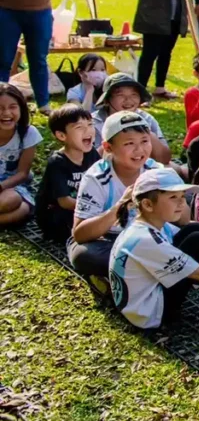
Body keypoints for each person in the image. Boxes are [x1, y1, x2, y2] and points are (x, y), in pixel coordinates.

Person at [109, 168, 199, 328]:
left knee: (195, 230)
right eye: (173, 197)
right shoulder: (144, 239)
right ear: (148, 204)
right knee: (197, 238)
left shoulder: (153, 225)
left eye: (182, 197)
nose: (182, 203)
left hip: (149, 298)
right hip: (151, 314)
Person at [70, 111, 162, 292]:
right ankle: (149, 273)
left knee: (192, 234)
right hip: (110, 241)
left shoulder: (155, 171)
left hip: (150, 238)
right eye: (129, 144)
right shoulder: (96, 177)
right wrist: (121, 205)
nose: (140, 150)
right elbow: (80, 234)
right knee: (83, 255)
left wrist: (174, 197)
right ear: (108, 147)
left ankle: (129, 276)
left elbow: (181, 220)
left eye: (144, 141)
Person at [36, 104, 101, 243]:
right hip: (55, 213)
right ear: (61, 135)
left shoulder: (91, 153)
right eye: (79, 127)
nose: (88, 131)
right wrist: (96, 209)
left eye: (90, 124)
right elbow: (64, 202)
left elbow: (103, 178)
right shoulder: (57, 162)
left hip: (82, 207)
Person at [91, 73, 172, 165]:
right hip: (109, 170)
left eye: (134, 95)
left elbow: (165, 158)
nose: (128, 100)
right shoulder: (94, 122)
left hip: (144, 167)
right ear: (107, 100)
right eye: (120, 95)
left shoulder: (146, 119)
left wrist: (145, 131)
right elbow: (91, 161)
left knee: (174, 169)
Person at [0, 84, 41, 225]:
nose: (6, 113)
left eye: (12, 107)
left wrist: (1, 186)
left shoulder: (28, 134)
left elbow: (23, 173)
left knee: (20, 206)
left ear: (21, 109)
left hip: (11, 185)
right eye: (0, 108)